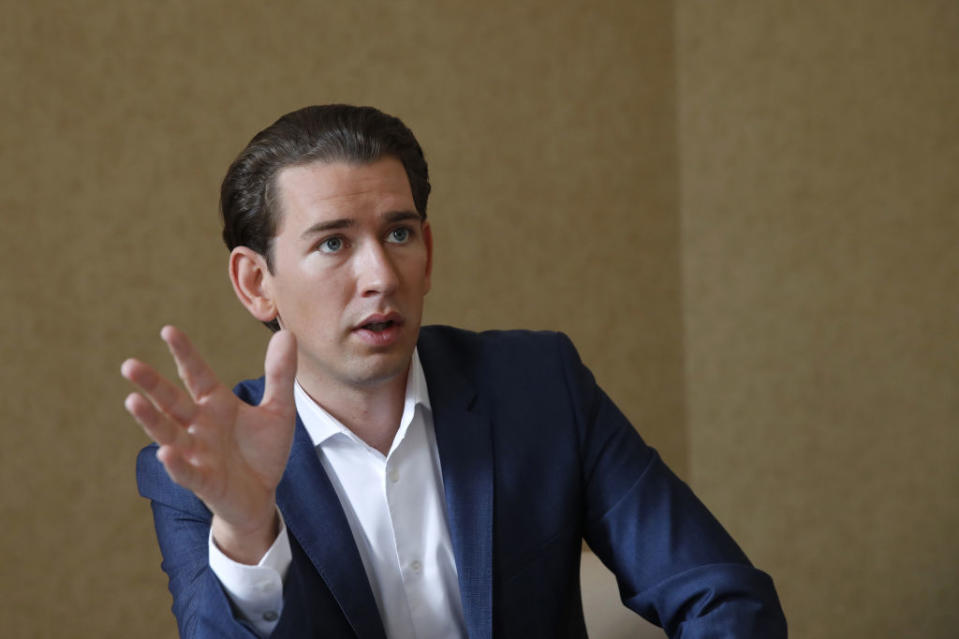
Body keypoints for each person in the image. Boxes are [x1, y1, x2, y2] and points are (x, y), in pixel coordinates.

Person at [122, 104, 787, 638]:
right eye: (332, 242)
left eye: (399, 233)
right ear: (255, 282)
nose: (380, 275)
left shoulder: (538, 385)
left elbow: (721, 596)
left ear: (428, 251)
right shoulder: (202, 468)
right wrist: (245, 532)